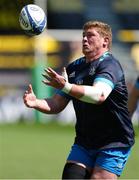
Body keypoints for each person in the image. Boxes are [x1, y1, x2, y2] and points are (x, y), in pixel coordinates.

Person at [23, 21, 135, 179]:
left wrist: (66, 86)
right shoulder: (74, 68)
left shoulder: (110, 65)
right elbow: (57, 103)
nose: (84, 39)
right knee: (71, 176)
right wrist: (35, 102)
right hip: (85, 141)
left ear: (105, 41)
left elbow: (99, 95)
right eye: (83, 35)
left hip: (114, 142)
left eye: (90, 36)